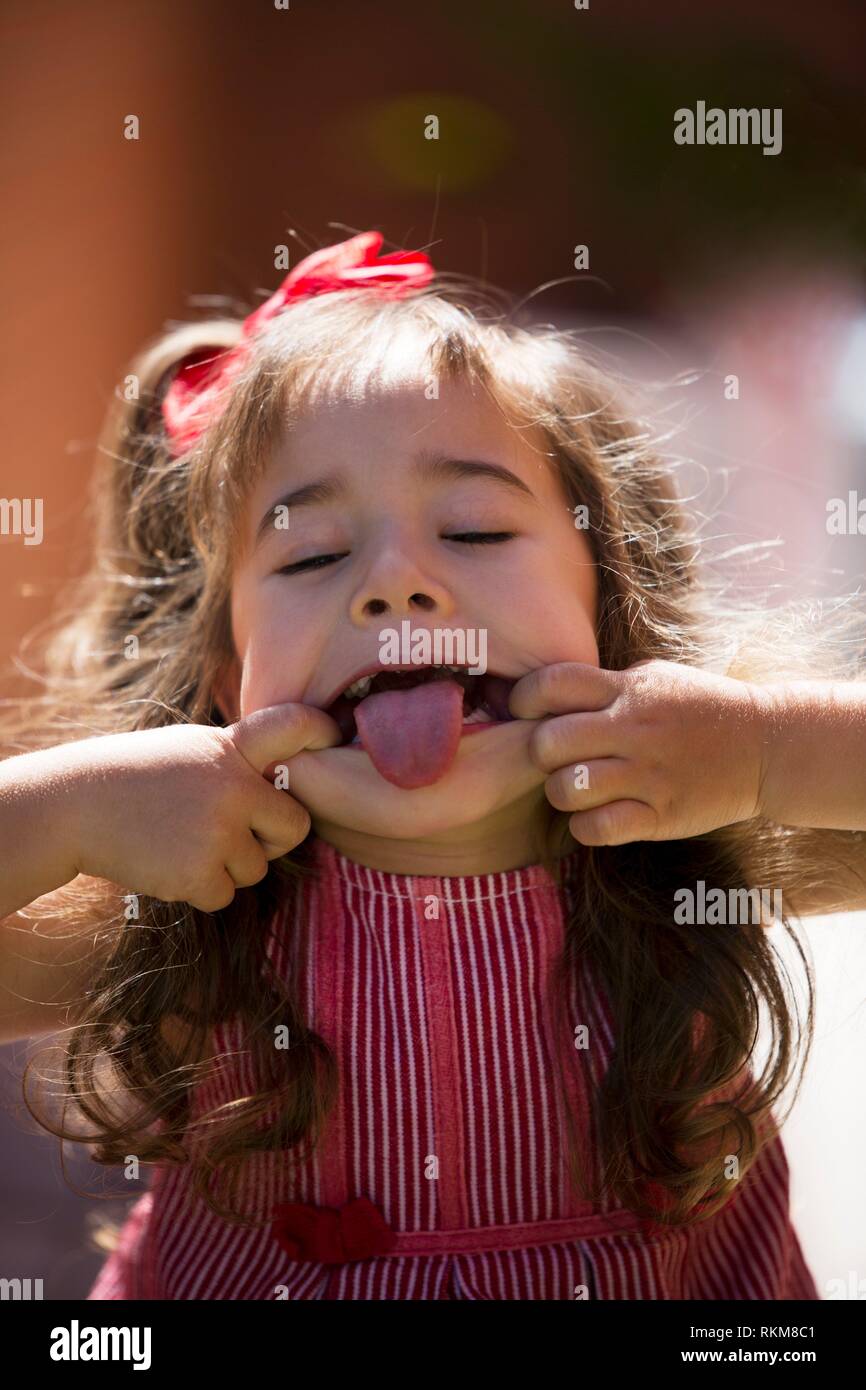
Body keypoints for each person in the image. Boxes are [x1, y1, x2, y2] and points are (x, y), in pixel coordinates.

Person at [1, 230, 863, 1299]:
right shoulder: (193, 916)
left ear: (607, 608)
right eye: (313, 554)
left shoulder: (684, 850)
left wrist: (768, 747)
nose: (395, 584)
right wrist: (73, 817)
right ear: (230, 682)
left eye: (474, 528)